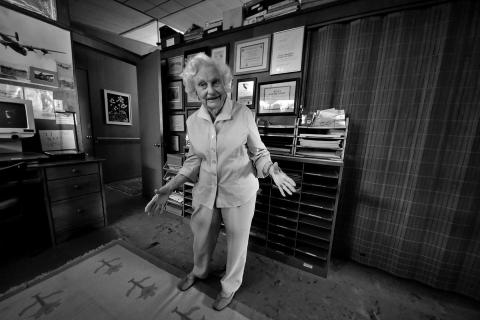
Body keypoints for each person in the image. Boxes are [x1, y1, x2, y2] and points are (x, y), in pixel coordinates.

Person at [145, 53, 296, 311]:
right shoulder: (193, 122)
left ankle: (230, 286)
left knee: (237, 243)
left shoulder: (242, 113)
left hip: (239, 190)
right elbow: (194, 160)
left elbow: (258, 153)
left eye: (215, 82)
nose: (210, 90)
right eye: (202, 85)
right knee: (201, 237)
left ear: (225, 82)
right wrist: (169, 186)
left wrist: (272, 169)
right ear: (195, 89)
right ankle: (200, 272)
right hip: (206, 191)